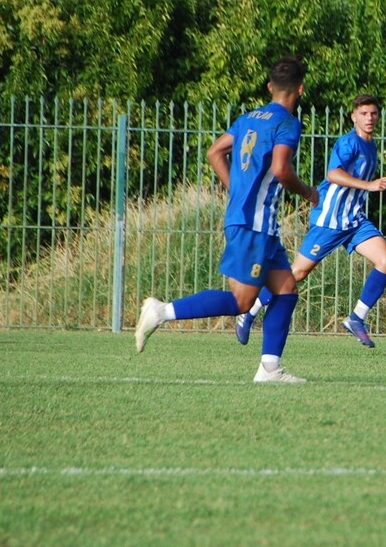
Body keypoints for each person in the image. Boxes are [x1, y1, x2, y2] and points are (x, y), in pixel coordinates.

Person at [135, 56, 319, 384]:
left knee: (286, 290)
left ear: (270, 87)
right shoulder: (288, 123)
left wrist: (237, 190)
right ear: (300, 89)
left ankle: (269, 369)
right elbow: (280, 169)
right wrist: (307, 192)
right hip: (254, 224)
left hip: (256, 223)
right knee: (241, 301)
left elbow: (214, 152)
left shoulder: (248, 118)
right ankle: (161, 311)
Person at [235, 94, 386, 349]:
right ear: (353, 117)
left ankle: (356, 318)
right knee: (298, 273)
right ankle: (250, 310)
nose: (369, 118)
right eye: (363, 114)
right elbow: (333, 174)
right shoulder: (349, 143)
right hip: (330, 220)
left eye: (373, 113)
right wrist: (369, 185)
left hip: (353, 220)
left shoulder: (371, 145)